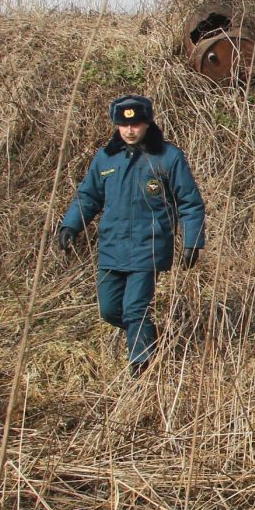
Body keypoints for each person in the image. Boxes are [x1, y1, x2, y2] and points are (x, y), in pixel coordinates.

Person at [56, 94, 205, 374]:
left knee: (136, 309)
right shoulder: (105, 158)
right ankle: (148, 336)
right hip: (112, 246)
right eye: (124, 125)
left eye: (136, 124)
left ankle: (141, 367)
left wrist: (192, 241)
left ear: (147, 123)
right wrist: (71, 224)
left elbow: (190, 201)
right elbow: (87, 197)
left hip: (149, 247)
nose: (130, 130)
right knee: (109, 309)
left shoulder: (168, 157)